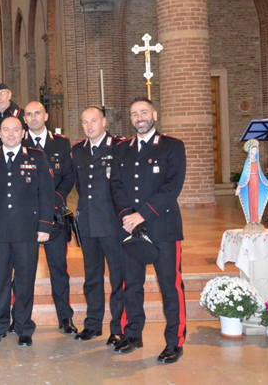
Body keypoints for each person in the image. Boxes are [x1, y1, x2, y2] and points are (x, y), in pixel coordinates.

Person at [110, 97, 187, 364]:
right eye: (134, 114)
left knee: (170, 287)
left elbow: (171, 187)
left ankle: (174, 342)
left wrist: (141, 215)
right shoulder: (122, 149)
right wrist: (127, 217)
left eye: (144, 112)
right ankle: (133, 334)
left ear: (154, 114)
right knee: (131, 285)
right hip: (130, 228)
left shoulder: (172, 147)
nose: (139, 118)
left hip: (163, 228)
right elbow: (116, 187)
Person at [0, 116, 53, 348]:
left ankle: (23, 326)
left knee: (25, 281)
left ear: (23, 133)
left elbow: (46, 193)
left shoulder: (36, 157)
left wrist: (44, 225)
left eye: (16, 130)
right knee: (0, 281)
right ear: (0, 134)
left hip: (27, 231)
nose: (11, 134)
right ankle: (0, 325)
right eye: (6, 130)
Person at [72, 107, 126, 345]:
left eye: (94, 120)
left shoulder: (119, 147)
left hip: (112, 223)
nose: (89, 126)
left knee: (117, 277)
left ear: (103, 121)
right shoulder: (78, 151)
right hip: (88, 223)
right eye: (85, 122)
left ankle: (118, 328)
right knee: (92, 277)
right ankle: (93, 325)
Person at [21, 101, 77, 335]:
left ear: (46, 116)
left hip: (54, 216)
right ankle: (21, 319)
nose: (33, 117)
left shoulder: (61, 143)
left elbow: (68, 176)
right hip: (25, 219)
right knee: (24, 271)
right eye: (29, 114)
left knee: (59, 269)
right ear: (25, 119)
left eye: (37, 113)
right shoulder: (18, 142)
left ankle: (65, 318)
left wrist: (51, 200)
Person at [236, 138, 268, 230]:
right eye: (253, 150)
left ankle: (256, 219)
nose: (255, 151)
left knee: (256, 200)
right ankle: (252, 220)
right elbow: (244, 175)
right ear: (250, 150)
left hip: (256, 183)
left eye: (256, 150)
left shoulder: (256, 162)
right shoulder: (248, 163)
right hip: (250, 183)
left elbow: (261, 175)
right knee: (252, 200)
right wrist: (239, 187)